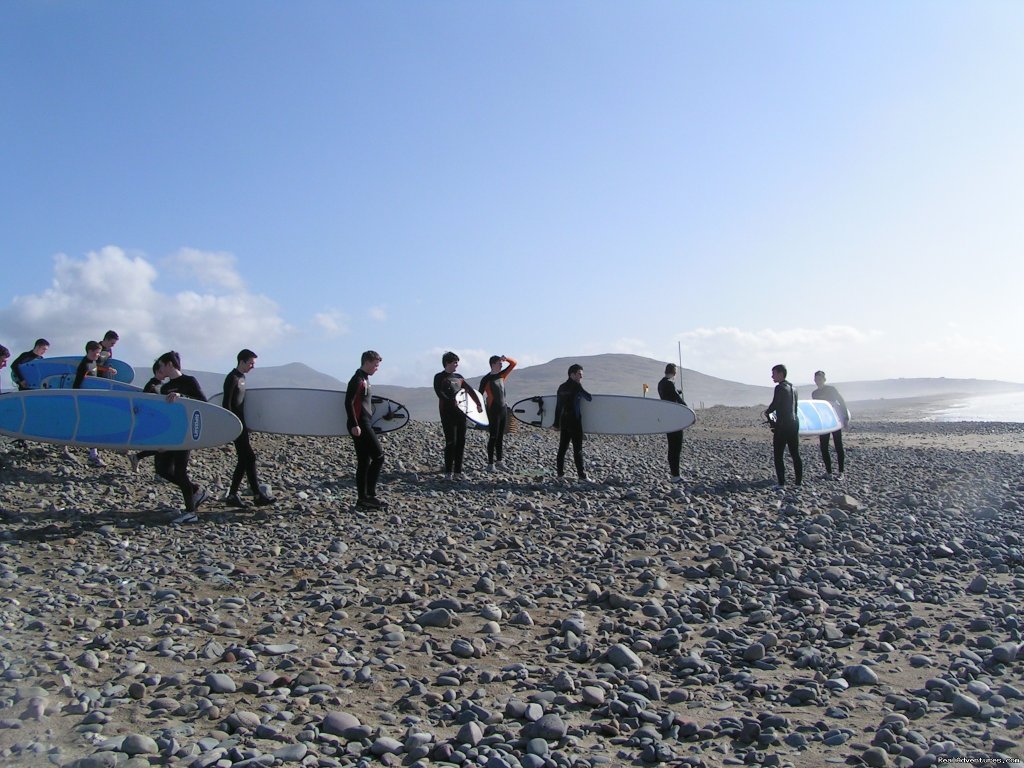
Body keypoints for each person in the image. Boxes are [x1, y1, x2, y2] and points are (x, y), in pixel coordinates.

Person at [156, 350, 210, 520]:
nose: (159, 370)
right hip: (169, 434)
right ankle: (195, 491)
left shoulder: (189, 381)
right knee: (162, 469)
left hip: (186, 433)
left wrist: (182, 397)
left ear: (169, 364)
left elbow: (203, 402)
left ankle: (190, 512)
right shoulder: (164, 387)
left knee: (180, 472)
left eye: (161, 366)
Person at [222, 349, 273, 508]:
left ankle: (232, 495)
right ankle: (257, 495)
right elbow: (226, 404)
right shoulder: (232, 378)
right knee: (249, 458)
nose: (253, 366)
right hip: (236, 425)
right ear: (242, 361)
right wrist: (231, 425)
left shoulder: (242, 378)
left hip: (242, 424)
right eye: (251, 363)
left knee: (244, 459)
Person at [345, 350, 386, 508]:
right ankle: (370, 494)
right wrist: (354, 424)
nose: (377, 368)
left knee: (364, 461)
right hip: (360, 424)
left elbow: (366, 401)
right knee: (379, 457)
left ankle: (362, 499)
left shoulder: (365, 379)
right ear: (367, 362)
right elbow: (348, 402)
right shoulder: (357, 380)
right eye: (375, 365)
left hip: (364, 422)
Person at [433, 351, 482, 481]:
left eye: (457, 362)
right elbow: (439, 393)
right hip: (447, 414)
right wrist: (451, 401)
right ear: (447, 363)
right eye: (455, 362)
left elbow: (470, 390)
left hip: (461, 413)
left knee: (461, 442)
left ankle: (458, 472)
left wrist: (478, 404)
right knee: (451, 442)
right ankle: (448, 472)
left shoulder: (459, 377)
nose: (457, 365)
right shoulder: (439, 377)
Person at [764, 363, 802, 489]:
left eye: (773, 373)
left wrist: (767, 413)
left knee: (778, 453)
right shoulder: (794, 388)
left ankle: (781, 483)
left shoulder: (779, 388)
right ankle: (798, 483)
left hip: (783, 424)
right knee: (795, 453)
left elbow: (774, 405)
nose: (772, 376)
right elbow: (794, 408)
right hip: (794, 423)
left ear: (780, 373)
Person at [554, 363, 592, 481]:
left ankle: (560, 475)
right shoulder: (577, 387)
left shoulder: (561, 387)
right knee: (578, 450)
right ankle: (582, 476)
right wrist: (580, 387)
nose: (581, 377)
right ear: (572, 374)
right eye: (579, 374)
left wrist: (556, 423)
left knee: (562, 449)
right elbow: (589, 398)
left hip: (564, 422)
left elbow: (558, 407)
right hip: (575, 422)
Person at [478, 354, 517, 471]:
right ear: (493, 364)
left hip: (503, 409)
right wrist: (479, 407)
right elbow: (479, 394)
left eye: (502, 363)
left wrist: (507, 358)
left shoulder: (502, 375)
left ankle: (499, 461)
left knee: (500, 436)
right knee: (493, 436)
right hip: (493, 409)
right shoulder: (486, 379)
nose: (501, 364)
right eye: (499, 363)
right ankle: (490, 464)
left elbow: (513, 363)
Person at [72, 341, 106, 467]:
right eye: (96, 353)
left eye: (99, 353)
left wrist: (109, 369)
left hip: (93, 400)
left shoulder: (93, 362)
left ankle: (93, 453)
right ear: (89, 351)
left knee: (94, 426)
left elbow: (96, 369)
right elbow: (76, 385)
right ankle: (93, 455)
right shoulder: (84, 366)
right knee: (92, 426)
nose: (98, 355)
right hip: (86, 401)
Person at [812, 370, 850, 480]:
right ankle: (828, 472)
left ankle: (841, 472)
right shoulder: (814, 393)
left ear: (824, 379)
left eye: (820, 379)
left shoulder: (831, 390)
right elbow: (817, 409)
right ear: (814, 380)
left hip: (835, 420)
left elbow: (841, 402)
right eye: (816, 379)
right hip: (824, 422)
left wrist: (845, 418)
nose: (818, 381)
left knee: (838, 445)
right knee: (824, 447)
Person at [129, 361, 165, 473]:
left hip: (159, 419)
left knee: (162, 446)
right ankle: (158, 471)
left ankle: (138, 457)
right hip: (153, 419)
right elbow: (143, 399)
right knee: (162, 446)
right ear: (157, 371)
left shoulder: (160, 384)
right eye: (162, 371)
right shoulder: (152, 384)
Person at [658, 363, 687, 482]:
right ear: (674, 373)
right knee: (676, 447)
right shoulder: (670, 383)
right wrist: (687, 409)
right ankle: (675, 476)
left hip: (667, 418)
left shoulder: (661, 383)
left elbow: (669, 395)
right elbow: (677, 399)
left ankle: (674, 474)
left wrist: (677, 391)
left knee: (672, 447)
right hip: (674, 419)